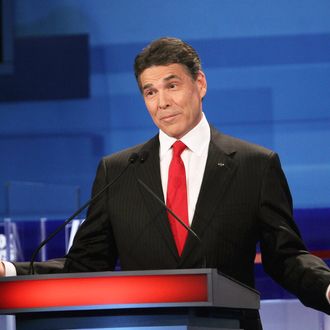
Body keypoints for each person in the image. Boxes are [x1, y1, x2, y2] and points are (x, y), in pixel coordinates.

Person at [1, 37, 330, 327]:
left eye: (172, 85)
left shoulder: (254, 165)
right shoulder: (118, 171)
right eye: (150, 91)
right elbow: (84, 266)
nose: (162, 103)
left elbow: (285, 256)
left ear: (200, 84)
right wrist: (9, 272)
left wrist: (326, 286)